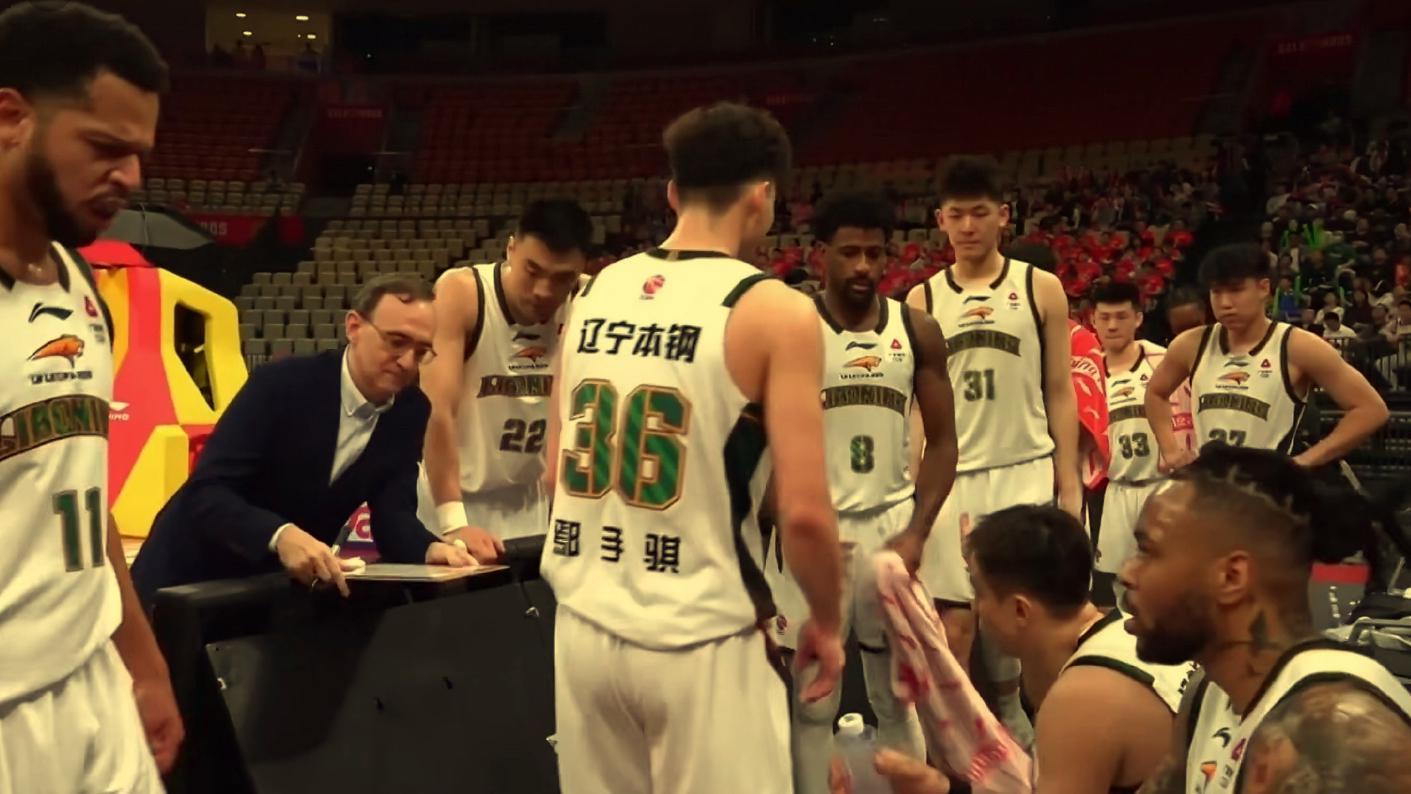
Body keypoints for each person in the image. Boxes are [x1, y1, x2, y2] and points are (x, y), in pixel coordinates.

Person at [540, 102, 845, 794]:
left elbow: (553, 470)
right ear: (762, 196)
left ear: (673, 192)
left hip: (582, 628)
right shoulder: (774, 310)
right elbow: (803, 514)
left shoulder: (595, 291)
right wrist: (826, 622)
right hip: (702, 635)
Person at [0, 2, 182, 789]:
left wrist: (143, 661)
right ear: (11, 117)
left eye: (139, 155)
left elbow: (81, 487)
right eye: (106, 148)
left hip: (92, 683)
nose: (132, 179)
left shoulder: (79, 280)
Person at [767, 190, 958, 794]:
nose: (863, 266)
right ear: (820, 253)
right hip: (813, 530)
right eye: (849, 252)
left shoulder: (916, 329)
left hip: (888, 527)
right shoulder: (790, 328)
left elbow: (944, 444)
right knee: (812, 700)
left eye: (874, 253)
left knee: (896, 695)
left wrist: (918, 531)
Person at [133, 275, 476, 602]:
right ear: (354, 327)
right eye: (396, 342)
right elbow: (207, 492)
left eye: (421, 351)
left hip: (270, 594)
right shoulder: (280, 384)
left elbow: (393, 514)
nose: (407, 362)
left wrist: (429, 548)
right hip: (183, 579)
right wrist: (279, 535)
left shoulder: (411, 410)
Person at [828, 505, 1194, 794]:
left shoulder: (1080, 702)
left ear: (1020, 610)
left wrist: (939, 790)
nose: (976, 608)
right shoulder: (1118, 634)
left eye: (980, 592)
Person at [1121, 445, 1411, 793]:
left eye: (1147, 551)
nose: (1127, 572)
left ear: (1231, 577)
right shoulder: (1212, 690)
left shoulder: (1337, 733)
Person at [909, 155, 1080, 745]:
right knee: (955, 626)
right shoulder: (922, 300)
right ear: (940, 220)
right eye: (956, 214)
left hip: (1023, 467)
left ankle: (1028, 722)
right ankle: (964, 748)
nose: (967, 225)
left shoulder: (1040, 287)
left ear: (1003, 216)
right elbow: (918, 407)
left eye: (979, 212)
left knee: (1028, 617)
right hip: (955, 475)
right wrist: (913, 484)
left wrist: (1069, 483)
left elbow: (1059, 389)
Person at [419, 199, 592, 562]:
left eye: (562, 278)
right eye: (533, 270)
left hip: (529, 502)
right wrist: (452, 521)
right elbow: (437, 411)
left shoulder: (589, 301)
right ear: (511, 248)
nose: (544, 290)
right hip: (451, 497)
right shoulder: (464, 293)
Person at [1145, 243, 1387, 469]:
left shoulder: (1298, 346)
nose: (1225, 303)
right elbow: (1155, 392)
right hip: (1210, 487)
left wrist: (1304, 462)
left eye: (1236, 290)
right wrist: (1170, 450)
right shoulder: (1190, 344)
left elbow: (1371, 409)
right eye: (1216, 292)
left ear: (1263, 288)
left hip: (1267, 490)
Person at [1090, 282, 1177, 606]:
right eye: (1105, 318)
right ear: (1093, 321)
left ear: (1138, 318)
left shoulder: (1164, 360)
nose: (1112, 325)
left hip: (1162, 485)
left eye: (1121, 316)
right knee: (1119, 584)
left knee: (1166, 578)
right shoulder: (1086, 372)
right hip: (1116, 489)